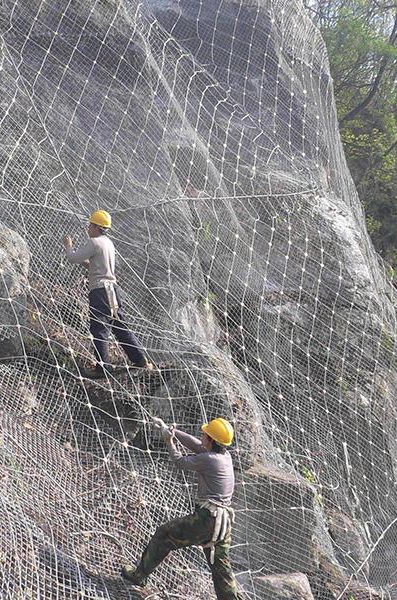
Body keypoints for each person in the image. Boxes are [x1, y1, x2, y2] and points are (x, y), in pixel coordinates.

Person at [121, 417, 244, 599]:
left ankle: (139, 576)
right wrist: (170, 430)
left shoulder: (209, 460)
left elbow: (179, 461)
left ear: (211, 440)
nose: (202, 435)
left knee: (164, 534)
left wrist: (169, 440)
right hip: (223, 523)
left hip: (207, 519)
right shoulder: (224, 456)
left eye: (205, 434)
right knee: (221, 569)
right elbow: (196, 445)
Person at [62, 210, 152, 377]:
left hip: (99, 292)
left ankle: (103, 368)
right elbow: (96, 265)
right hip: (112, 291)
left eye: (90, 225)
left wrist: (68, 247)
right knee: (120, 326)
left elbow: (73, 258)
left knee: (99, 329)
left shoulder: (94, 242)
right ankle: (140, 360)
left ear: (96, 226)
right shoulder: (108, 243)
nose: (88, 228)